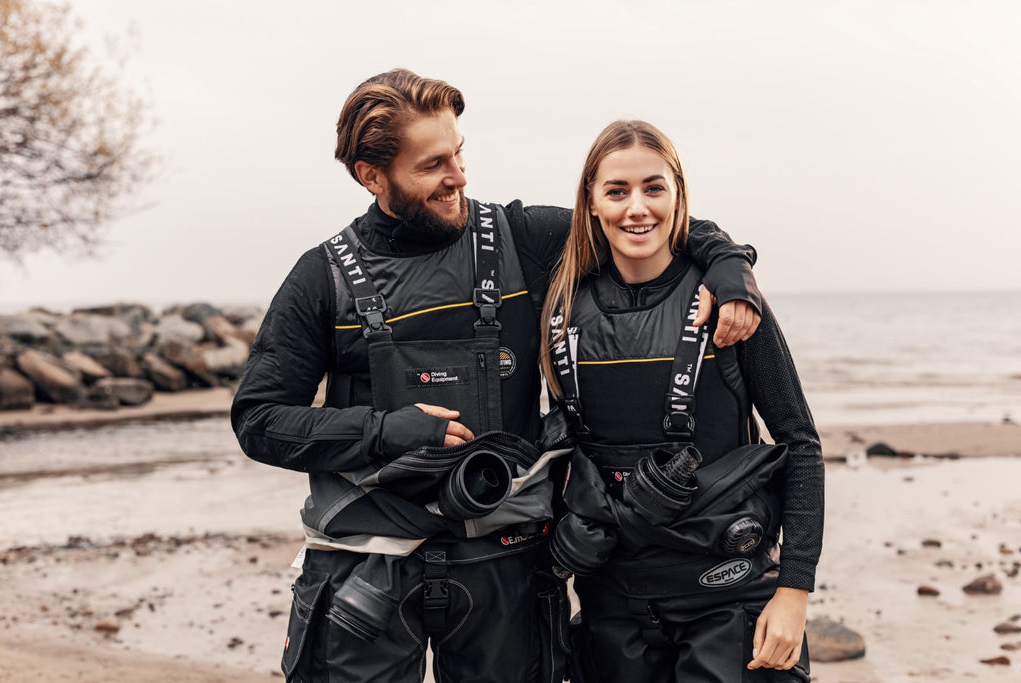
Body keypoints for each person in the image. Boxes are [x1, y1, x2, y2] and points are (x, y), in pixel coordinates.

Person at [231, 69, 763, 683]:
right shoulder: (319, 277)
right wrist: (386, 431)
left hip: (504, 565)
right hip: (361, 572)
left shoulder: (521, 239)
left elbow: (639, 221)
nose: (457, 177)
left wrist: (729, 267)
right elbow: (260, 420)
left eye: (458, 153)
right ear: (372, 176)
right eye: (432, 165)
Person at [541, 120, 824, 682]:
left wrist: (794, 590)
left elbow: (801, 445)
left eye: (654, 187)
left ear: (679, 195)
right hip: (612, 608)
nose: (636, 208)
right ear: (591, 203)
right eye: (616, 191)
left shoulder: (730, 307)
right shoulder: (560, 306)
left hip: (727, 601)